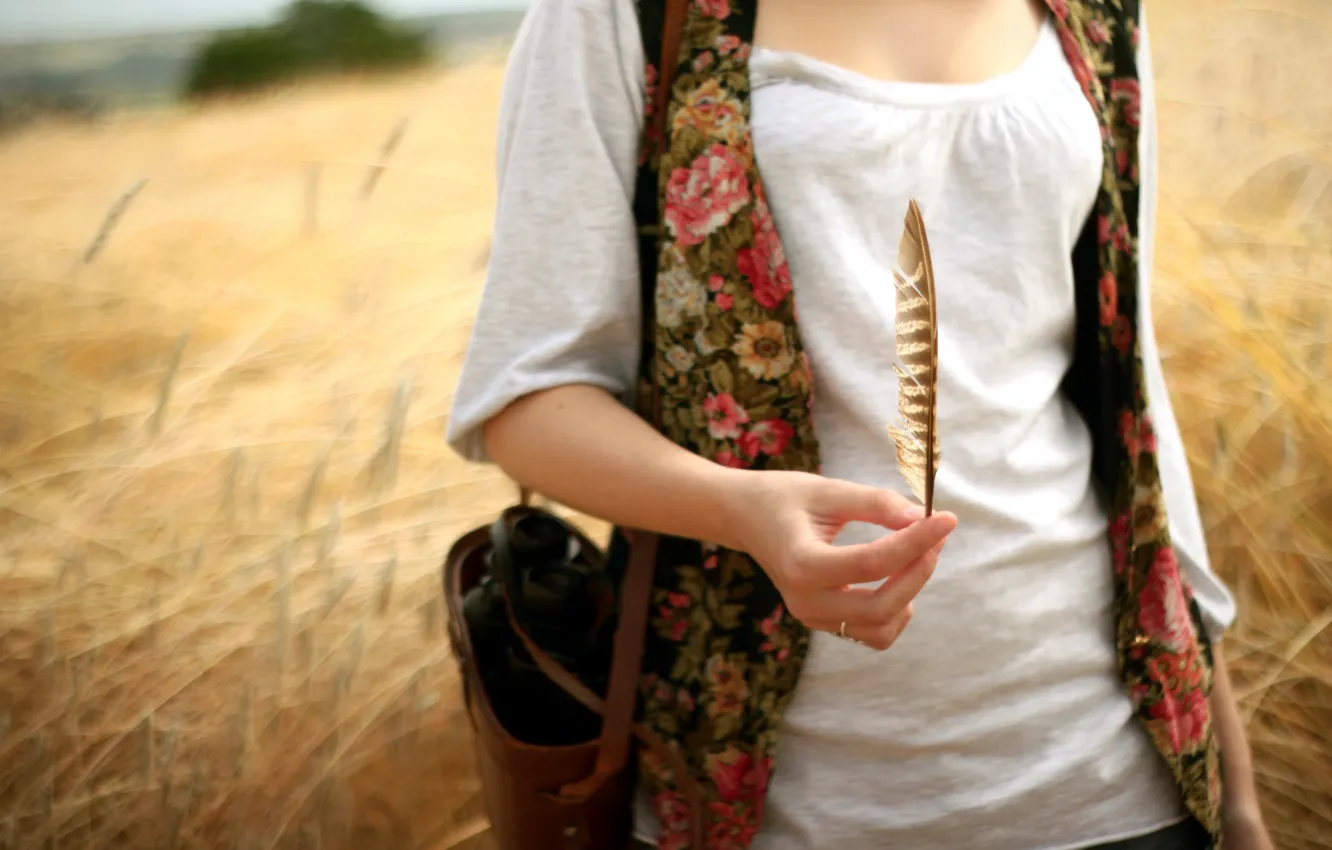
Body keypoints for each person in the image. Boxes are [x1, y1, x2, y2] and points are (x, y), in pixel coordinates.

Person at [446, 1, 1275, 848]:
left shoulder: (1099, 11)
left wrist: (1236, 792)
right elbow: (528, 398)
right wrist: (738, 510)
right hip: (779, 799)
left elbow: (1133, 399)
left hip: (1116, 774)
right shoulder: (620, 13)